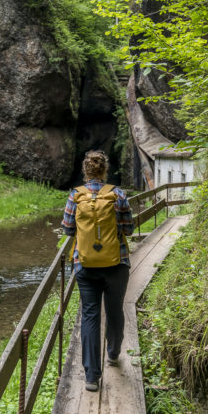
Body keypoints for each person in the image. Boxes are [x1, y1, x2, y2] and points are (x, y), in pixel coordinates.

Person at [61, 150, 134, 391]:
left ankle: (92, 376)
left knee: (90, 316)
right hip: (117, 263)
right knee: (114, 311)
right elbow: (129, 229)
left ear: (85, 170)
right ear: (104, 170)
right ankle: (113, 353)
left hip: (85, 264)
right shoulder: (118, 194)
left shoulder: (75, 196)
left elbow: (68, 229)